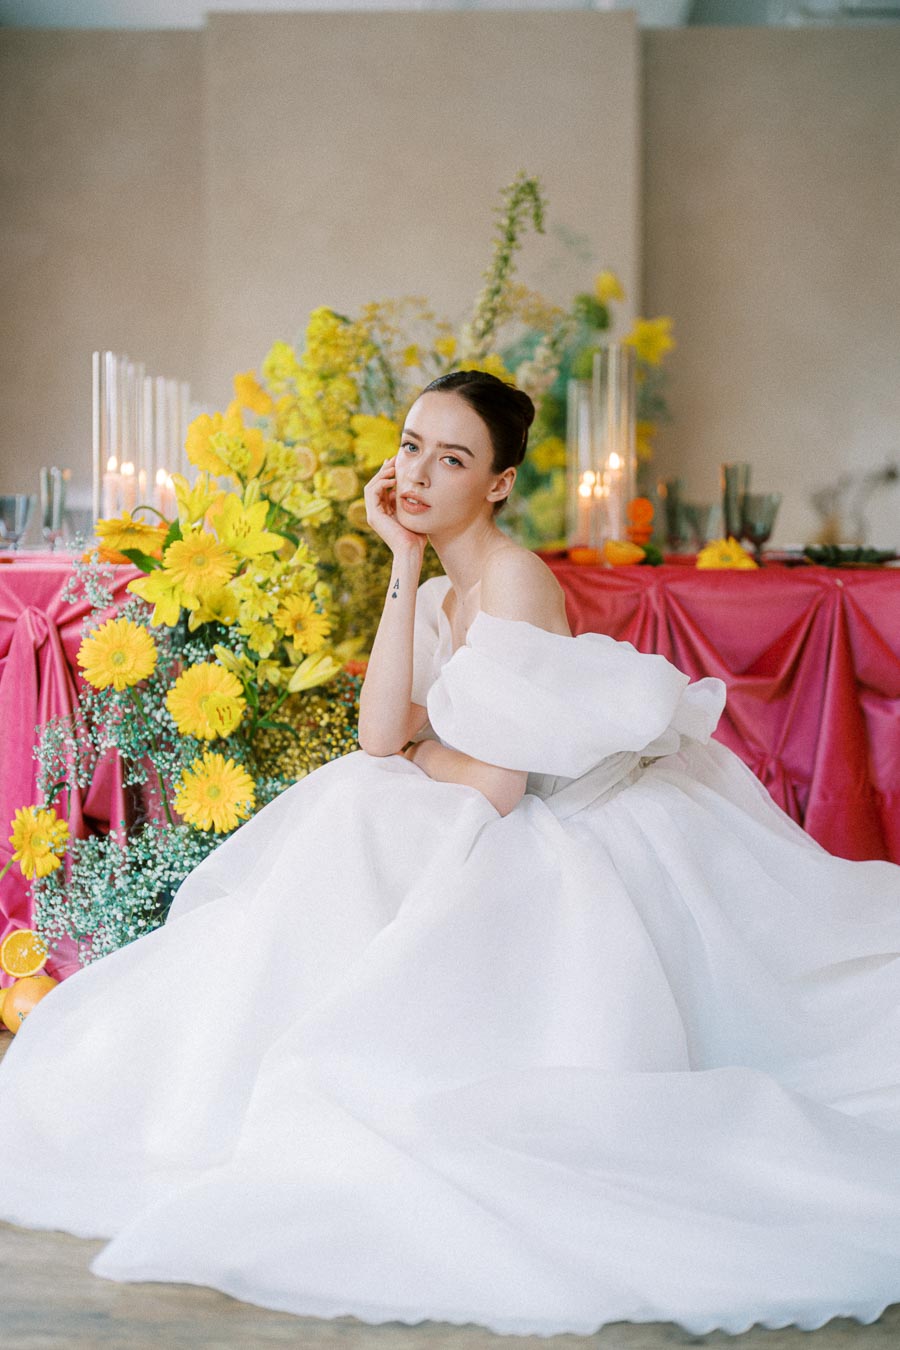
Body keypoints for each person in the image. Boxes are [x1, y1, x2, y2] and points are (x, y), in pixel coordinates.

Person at [1, 369, 900, 1338]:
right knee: (351, 806)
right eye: (412, 447)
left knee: (353, 820)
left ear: (501, 483)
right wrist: (401, 561)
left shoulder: (515, 580)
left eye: (454, 458)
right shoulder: (443, 591)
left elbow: (497, 784)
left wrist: (430, 744)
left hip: (562, 825)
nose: (419, 474)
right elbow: (382, 735)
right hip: (481, 799)